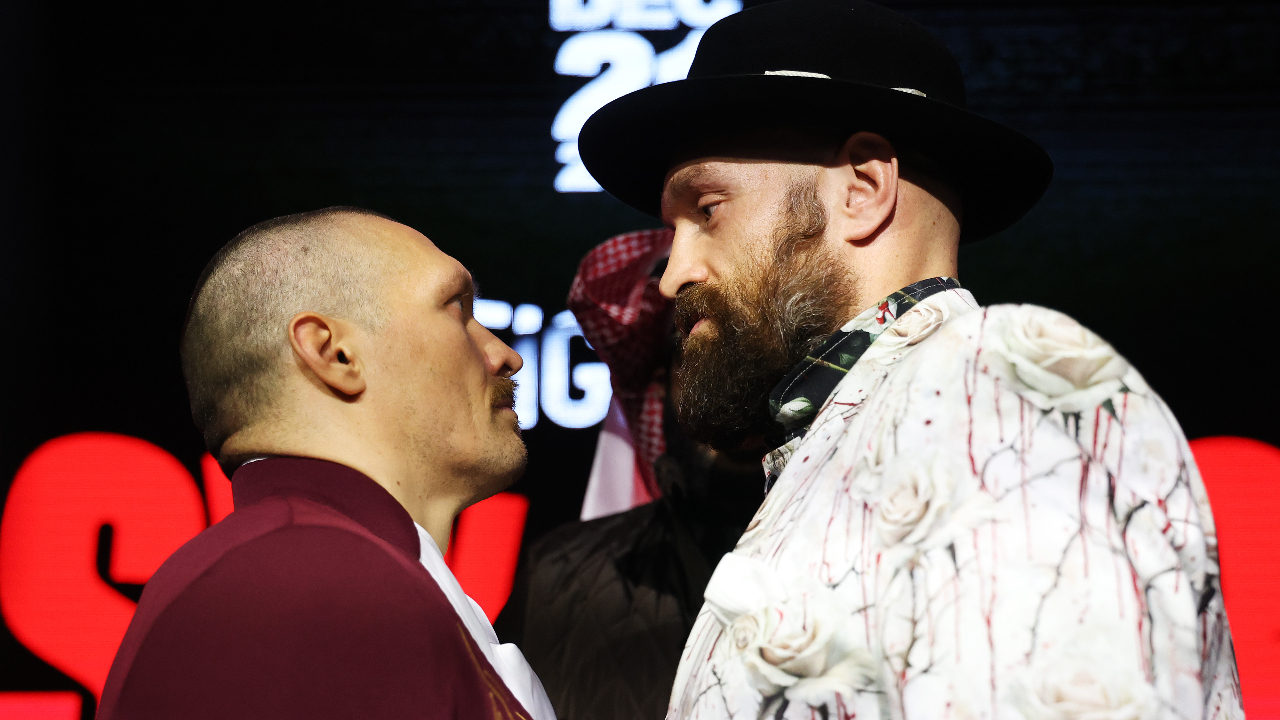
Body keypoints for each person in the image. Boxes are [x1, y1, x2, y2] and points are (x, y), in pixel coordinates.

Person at [576, 1, 1243, 718]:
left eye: (707, 209)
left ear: (862, 191)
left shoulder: (998, 387)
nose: (673, 275)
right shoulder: (879, 426)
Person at [97, 207, 556, 720]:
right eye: (457, 309)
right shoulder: (310, 585)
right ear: (334, 353)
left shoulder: (310, 569)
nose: (505, 356)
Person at [496, 228, 764, 720]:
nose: (729, 395)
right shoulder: (561, 576)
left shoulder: (872, 546)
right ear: (660, 388)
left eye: (752, 364)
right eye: (697, 360)